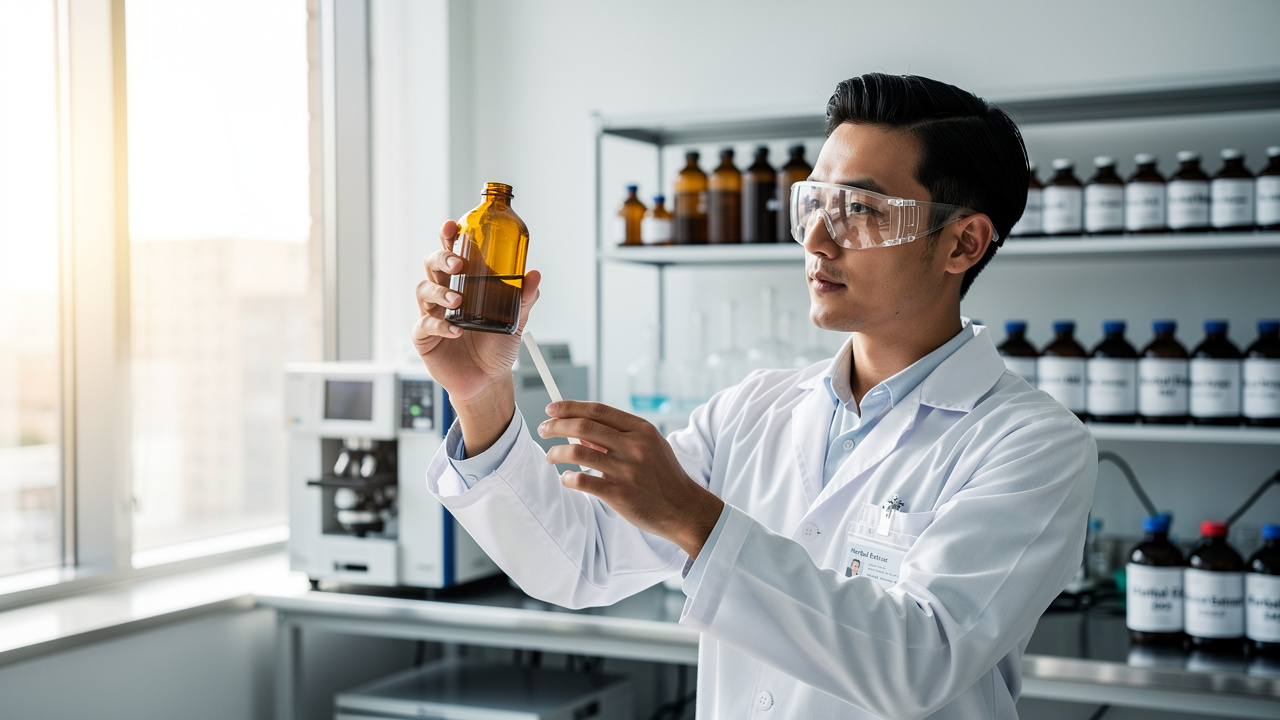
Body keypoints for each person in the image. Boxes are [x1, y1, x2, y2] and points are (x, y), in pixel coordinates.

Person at [411, 73, 1096, 719]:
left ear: (962, 243)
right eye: (816, 205)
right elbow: (579, 563)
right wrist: (481, 394)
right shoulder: (752, 411)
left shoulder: (1033, 447)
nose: (819, 241)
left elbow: (922, 661)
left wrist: (691, 515)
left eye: (860, 209)